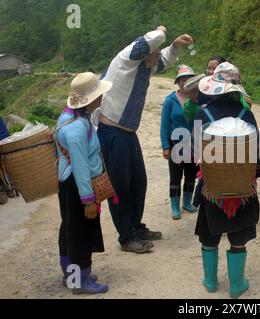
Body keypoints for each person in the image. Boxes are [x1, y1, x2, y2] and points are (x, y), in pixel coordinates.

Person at [96, 26, 193, 254]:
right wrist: (162, 30)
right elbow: (150, 40)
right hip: (111, 134)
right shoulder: (126, 59)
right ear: (146, 52)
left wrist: (176, 46)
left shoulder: (145, 67)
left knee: (138, 183)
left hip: (128, 134)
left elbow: (164, 60)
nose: (158, 57)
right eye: (155, 53)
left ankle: (136, 227)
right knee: (119, 187)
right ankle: (126, 237)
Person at [194, 62, 260, 298]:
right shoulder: (247, 114)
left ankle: (210, 281)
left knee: (209, 235)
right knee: (238, 238)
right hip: (242, 189)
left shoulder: (203, 114)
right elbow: (257, 155)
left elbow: (195, 152)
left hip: (212, 187)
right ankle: (236, 285)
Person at [56, 72, 112, 294]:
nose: (102, 98)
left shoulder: (69, 117)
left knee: (69, 227)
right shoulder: (77, 128)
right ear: (90, 99)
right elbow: (80, 167)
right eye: (99, 95)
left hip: (68, 181)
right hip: (78, 186)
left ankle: (70, 276)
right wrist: (88, 199)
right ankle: (81, 281)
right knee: (80, 232)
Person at [160, 65, 198, 219]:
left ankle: (187, 203)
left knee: (191, 174)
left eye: (188, 79)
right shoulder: (170, 100)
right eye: (182, 80)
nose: (185, 82)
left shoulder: (197, 99)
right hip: (175, 142)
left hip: (193, 143)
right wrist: (165, 146)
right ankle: (175, 206)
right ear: (178, 82)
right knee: (175, 175)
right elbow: (164, 125)